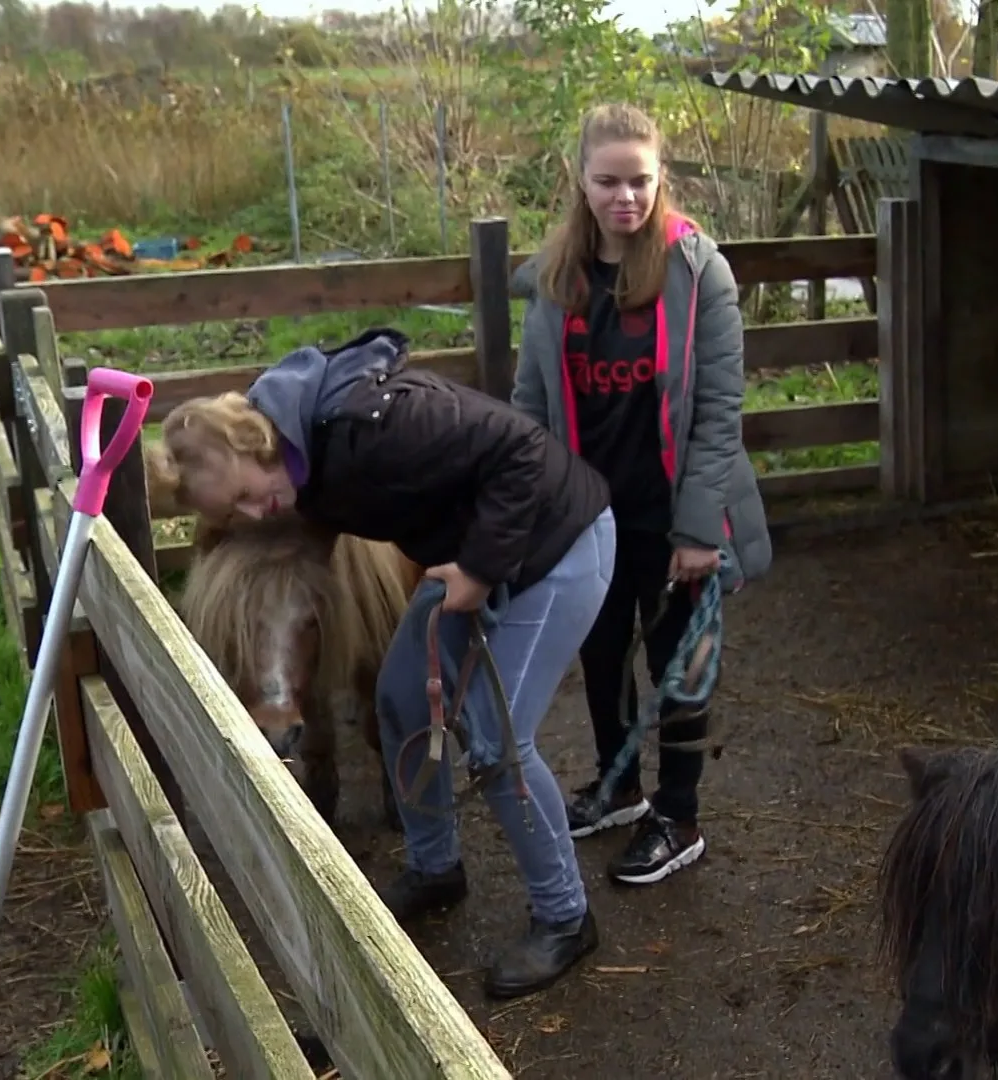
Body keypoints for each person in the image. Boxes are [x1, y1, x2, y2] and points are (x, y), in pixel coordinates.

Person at [146, 327, 617, 1000]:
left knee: (497, 739)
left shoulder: (382, 425)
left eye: (252, 495)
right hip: (473, 550)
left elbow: (522, 455)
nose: (258, 512)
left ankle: (566, 915)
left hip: (558, 544)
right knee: (398, 696)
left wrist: (481, 567)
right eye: (240, 513)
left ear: (252, 445)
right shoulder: (294, 457)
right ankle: (435, 866)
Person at [510, 103, 773, 888]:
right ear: (579, 181)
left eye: (640, 181)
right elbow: (530, 403)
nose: (625, 197)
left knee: (677, 664)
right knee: (597, 652)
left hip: (673, 512)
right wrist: (531, 511)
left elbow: (719, 410)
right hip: (590, 513)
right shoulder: (555, 278)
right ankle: (619, 785)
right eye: (608, 181)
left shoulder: (698, 272)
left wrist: (697, 531)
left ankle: (678, 814)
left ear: (662, 180)